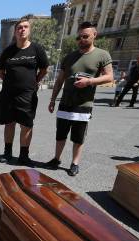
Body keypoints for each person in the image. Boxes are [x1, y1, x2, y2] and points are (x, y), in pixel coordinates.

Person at [46, 21, 113, 177]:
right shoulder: (70, 57)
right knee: (60, 134)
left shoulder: (102, 54)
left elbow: (109, 77)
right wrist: (52, 99)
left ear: (94, 35)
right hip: (65, 101)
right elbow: (59, 80)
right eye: (79, 37)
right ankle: (56, 159)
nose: (81, 39)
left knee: (78, 136)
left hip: (84, 104)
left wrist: (89, 81)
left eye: (85, 36)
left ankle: (75, 163)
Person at [0, 17, 49, 166]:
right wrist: (10, 82)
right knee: (9, 123)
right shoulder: (9, 50)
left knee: (26, 125)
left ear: (29, 30)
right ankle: (7, 153)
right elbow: (0, 71)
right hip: (8, 94)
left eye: (25, 27)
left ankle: (23, 155)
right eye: (19, 27)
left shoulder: (37, 49)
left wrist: (34, 81)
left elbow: (44, 69)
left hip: (27, 94)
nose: (22, 30)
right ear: (15, 31)